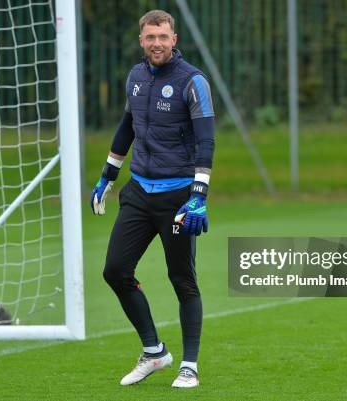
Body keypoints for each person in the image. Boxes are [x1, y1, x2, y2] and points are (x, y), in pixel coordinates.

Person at [89, 9, 215, 389]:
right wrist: (108, 174)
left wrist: (199, 194)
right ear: (141, 40)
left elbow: (207, 139)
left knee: (183, 281)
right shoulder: (135, 77)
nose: (156, 43)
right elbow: (127, 126)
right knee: (115, 270)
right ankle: (154, 351)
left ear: (174, 39)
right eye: (149, 37)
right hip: (139, 192)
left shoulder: (193, 81)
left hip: (178, 197)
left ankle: (189, 366)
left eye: (163, 36)